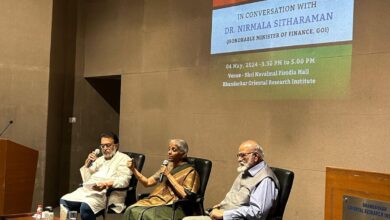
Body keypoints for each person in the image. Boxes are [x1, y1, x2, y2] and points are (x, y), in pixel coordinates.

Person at [184, 140, 279, 220]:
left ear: (256, 156)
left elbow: (258, 212)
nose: (239, 159)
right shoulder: (247, 169)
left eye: (243, 155)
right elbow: (236, 197)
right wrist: (222, 205)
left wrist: (225, 214)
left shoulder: (265, 179)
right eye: (238, 155)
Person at [60, 132, 132, 220]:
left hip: (107, 194)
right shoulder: (100, 160)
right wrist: (86, 165)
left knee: (85, 206)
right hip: (89, 192)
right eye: (102, 146)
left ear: (116, 146)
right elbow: (87, 180)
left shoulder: (124, 159)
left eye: (108, 145)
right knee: (64, 201)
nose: (105, 148)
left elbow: (124, 181)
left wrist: (106, 184)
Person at [123, 139, 200, 220]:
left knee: (146, 214)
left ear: (183, 153)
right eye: (169, 149)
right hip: (158, 201)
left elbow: (185, 194)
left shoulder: (190, 171)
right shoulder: (168, 167)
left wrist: (168, 175)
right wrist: (133, 169)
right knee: (131, 209)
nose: (169, 152)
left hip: (174, 206)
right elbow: (147, 183)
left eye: (174, 150)